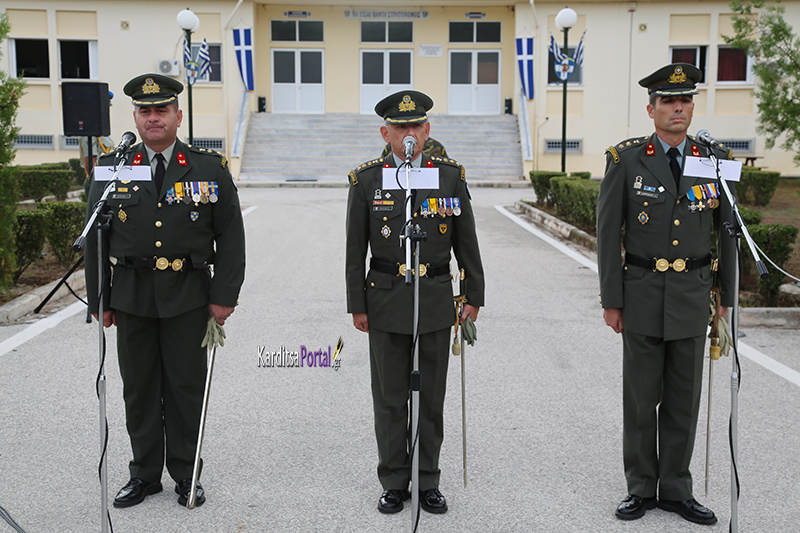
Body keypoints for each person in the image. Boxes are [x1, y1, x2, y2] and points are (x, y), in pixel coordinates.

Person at [84, 73, 246, 508]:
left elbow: (230, 236)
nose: (153, 118)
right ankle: (143, 475)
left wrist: (223, 295)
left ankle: (186, 473)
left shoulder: (208, 167)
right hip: (131, 296)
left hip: (188, 296)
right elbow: (96, 238)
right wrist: (100, 297)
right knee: (137, 389)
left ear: (178, 115)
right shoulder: (113, 166)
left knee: (184, 388)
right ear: (135, 116)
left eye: (161, 110)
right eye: (144, 111)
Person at [596, 63, 735, 526]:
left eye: (686, 100)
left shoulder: (713, 158)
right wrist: (611, 300)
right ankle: (640, 487)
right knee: (640, 398)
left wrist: (727, 302)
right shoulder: (627, 159)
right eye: (669, 101)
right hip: (640, 293)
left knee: (684, 397)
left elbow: (728, 234)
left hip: (693, 296)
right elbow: (606, 233)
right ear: (651, 108)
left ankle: (676, 489)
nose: (679, 108)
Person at [345, 90, 485, 515]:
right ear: (385, 132)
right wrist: (357, 304)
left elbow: (467, 242)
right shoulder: (367, 179)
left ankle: (427, 480)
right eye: (400, 127)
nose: (409, 134)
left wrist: (473, 295)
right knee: (390, 397)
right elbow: (355, 249)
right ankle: (393, 480)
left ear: (427, 130)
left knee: (431, 395)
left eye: (415, 126)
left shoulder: (449, 175)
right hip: (386, 299)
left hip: (437, 298)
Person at [381, 137, 448, 159]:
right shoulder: (392, 146)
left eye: (416, 126)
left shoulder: (436, 146)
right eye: (402, 127)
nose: (411, 133)